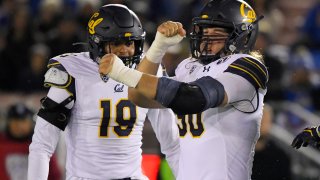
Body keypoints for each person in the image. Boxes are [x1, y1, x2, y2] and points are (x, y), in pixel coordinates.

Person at [98, 0, 269, 179]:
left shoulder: (249, 66)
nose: (206, 41)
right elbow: (138, 96)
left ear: (244, 37)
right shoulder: (190, 66)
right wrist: (158, 47)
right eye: (204, 33)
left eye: (216, 35)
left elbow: (193, 98)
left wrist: (122, 73)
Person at [28, 4, 180, 180]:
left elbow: (172, 144)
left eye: (130, 42)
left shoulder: (148, 71)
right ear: (97, 44)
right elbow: (42, 145)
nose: (124, 50)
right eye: (116, 43)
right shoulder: (74, 72)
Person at [0, 103, 61, 180]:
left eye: (24, 122)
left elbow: (54, 175)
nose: (19, 126)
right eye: (15, 122)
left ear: (31, 124)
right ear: (8, 124)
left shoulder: (41, 146)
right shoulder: (1, 145)